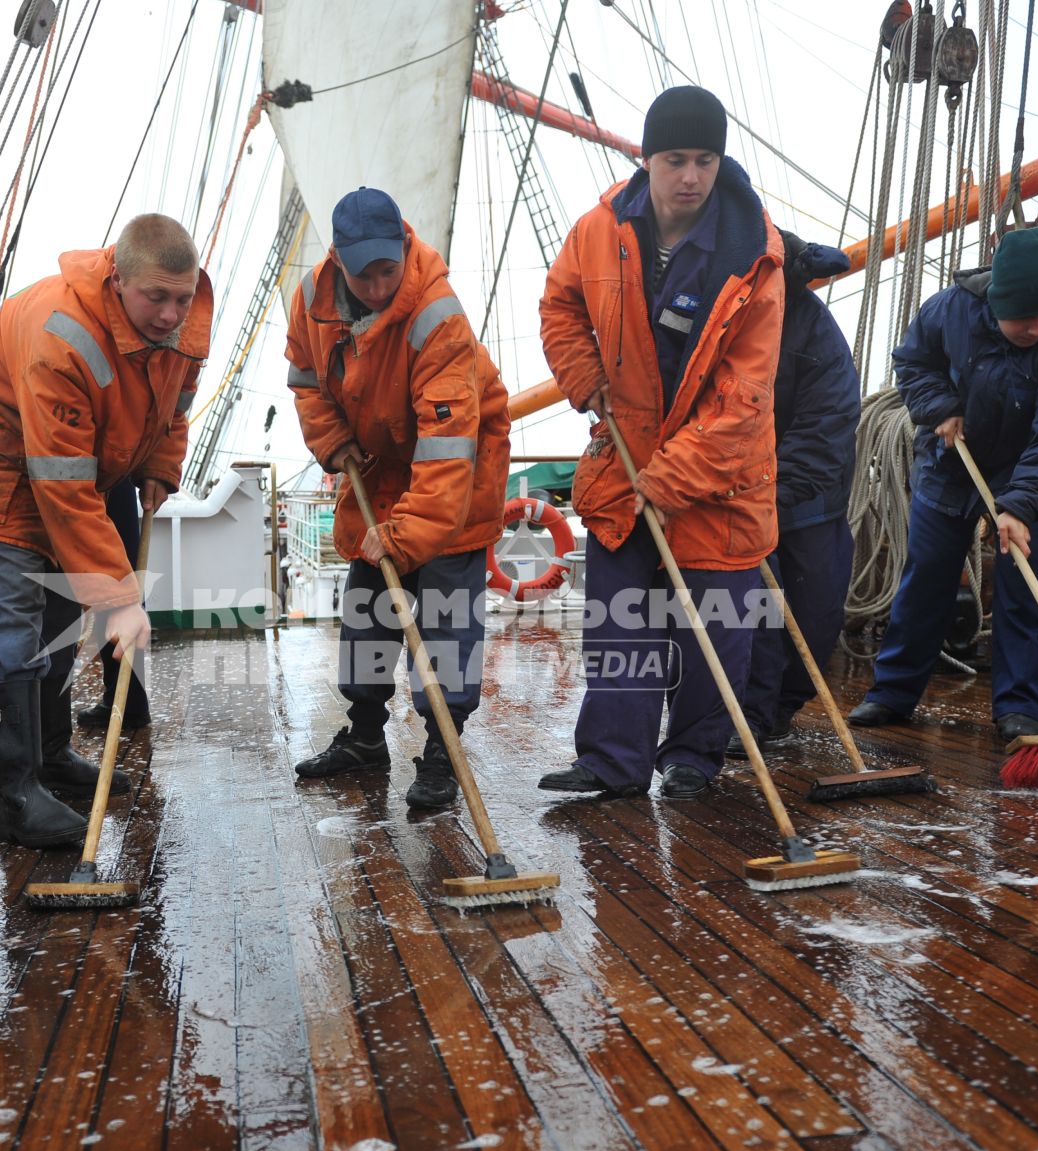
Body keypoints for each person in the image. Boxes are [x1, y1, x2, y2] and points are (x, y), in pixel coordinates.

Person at [535, 85, 785, 800]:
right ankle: (613, 761)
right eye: (675, 159)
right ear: (646, 160)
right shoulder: (599, 229)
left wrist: (666, 481)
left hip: (718, 479)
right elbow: (560, 303)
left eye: (705, 159)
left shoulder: (754, 261)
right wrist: (581, 374)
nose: (691, 177)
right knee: (620, 625)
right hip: (623, 461)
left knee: (715, 631)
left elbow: (743, 404)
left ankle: (692, 761)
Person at [0, 214, 210, 847]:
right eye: (157, 298)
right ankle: (17, 795)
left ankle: (54, 753)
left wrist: (160, 465)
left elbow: (176, 398)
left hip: (83, 451)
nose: (172, 314)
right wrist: (119, 598)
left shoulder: (185, 310)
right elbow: (60, 491)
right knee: (16, 608)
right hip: (0, 448)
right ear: (118, 278)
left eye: (182, 297)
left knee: (64, 601)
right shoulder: (61, 335)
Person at [285, 188, 510, 810]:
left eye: (389, 269)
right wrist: (332, 442)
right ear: (338, 260)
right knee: (367, 613)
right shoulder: (311, 301)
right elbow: (305, 379)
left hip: (456, 475)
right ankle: (364, 738)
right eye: (365, 273)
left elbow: (446, 450)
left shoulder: (438, 316)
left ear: (404, 249)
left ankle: (443, 750)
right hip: (376, 470)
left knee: (446, 624)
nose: (379, 286)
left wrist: (406, 534)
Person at [847, 226, 1038, 740]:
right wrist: (940, 407)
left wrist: (1022, 506)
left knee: (1022, 590)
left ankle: (1018, 709)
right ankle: (892, 694)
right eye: (1022, 316)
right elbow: (914, 362)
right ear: (996, 300)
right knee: (926, 582)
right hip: (949, 465)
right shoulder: (949, 311)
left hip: (1028, 471)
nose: (1037, 327)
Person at [736, 232, 859, 755]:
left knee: (813, 607)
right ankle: (747, 715)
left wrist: (778, 490)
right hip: (733, 490)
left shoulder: (814, 331)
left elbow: (828, 422)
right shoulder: (724, 315)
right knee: (748, 607)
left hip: (806, 494)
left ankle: (781, 707)